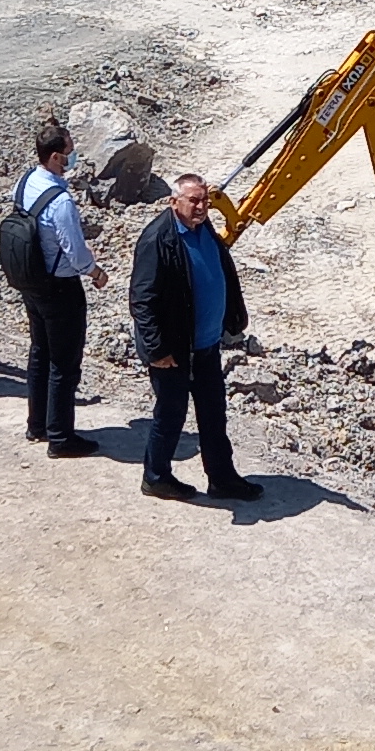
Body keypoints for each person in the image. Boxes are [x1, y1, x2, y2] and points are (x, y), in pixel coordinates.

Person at [127, 171, 260, 504]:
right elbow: (142, 300)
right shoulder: (157, 239)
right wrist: (156, 349)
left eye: (205, 201)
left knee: (213, 413)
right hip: (174, 350)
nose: (201, 207)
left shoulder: (203, 228)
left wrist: (232, 317)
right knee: (171, 414)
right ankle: (156, 477)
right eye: (193, 201)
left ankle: (222, 479)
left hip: (206, 346)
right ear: (174, 202)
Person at [7, 122, 105, 457]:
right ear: (55, 157)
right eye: (69, 152)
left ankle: (38, 424)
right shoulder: (61, 201)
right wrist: (96, 272)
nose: (73, 158)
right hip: (60, 287)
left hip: (32, 280)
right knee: (64, 362)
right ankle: (61, 437)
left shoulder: (25, 182)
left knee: (40, 352)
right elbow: (75, 252)